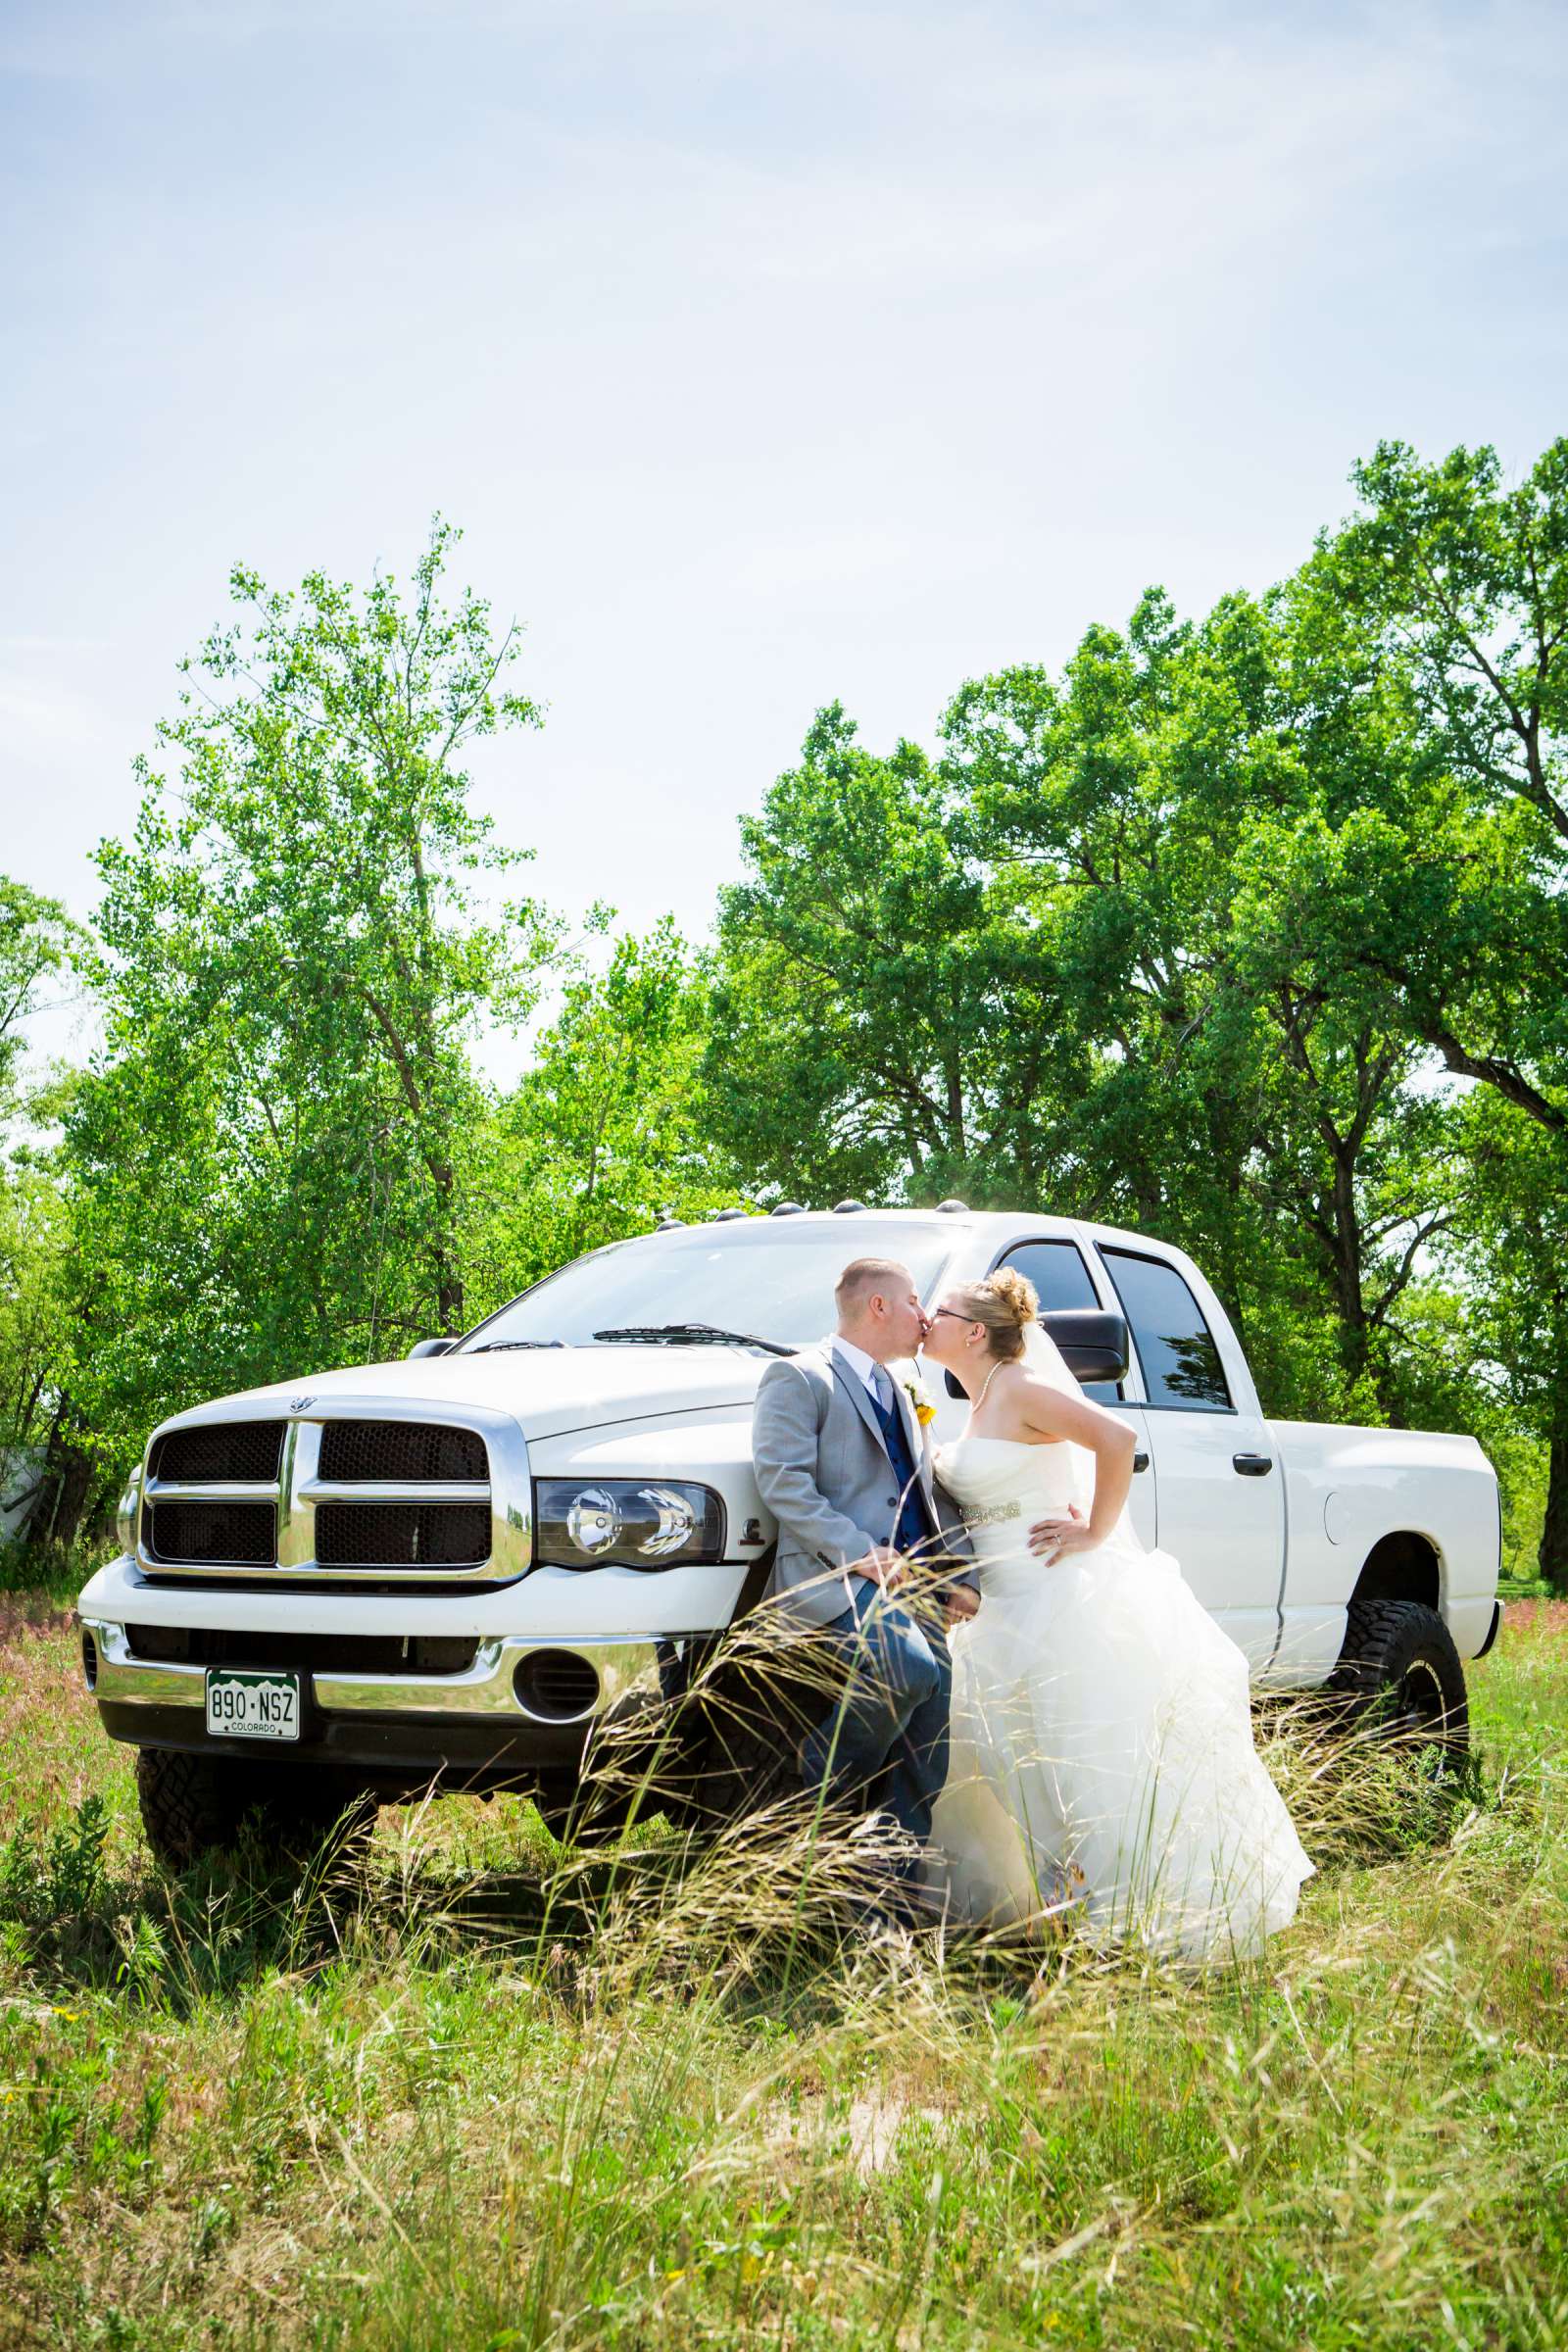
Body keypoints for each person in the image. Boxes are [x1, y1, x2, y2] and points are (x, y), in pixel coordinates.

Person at [920, 1266, 1314, 1962]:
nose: (929, 1318)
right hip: (1002, 1609)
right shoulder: (980, 1397)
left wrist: (1094, 1531)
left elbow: (1115, 1438)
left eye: (940, 1311)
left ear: (976, 1331)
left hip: (1056, 1600)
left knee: (1085, 1763)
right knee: (1023, 1767)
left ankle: (1124, 1923)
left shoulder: (1019, 1388)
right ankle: (1062, 1915)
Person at [750, 1256, 978, 1911]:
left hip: (917, 1588)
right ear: (878, 1307)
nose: (925, 1318)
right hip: (835, 1580)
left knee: (927, 1750)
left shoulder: (902, 1390)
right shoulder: (798, 1377)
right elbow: (783, 1481)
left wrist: (956, 1576)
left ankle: (883, 1910)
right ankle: (820, 1775)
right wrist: (861, 1554)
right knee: (904, 1668)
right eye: (914, 1303)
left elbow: (924, 1493)